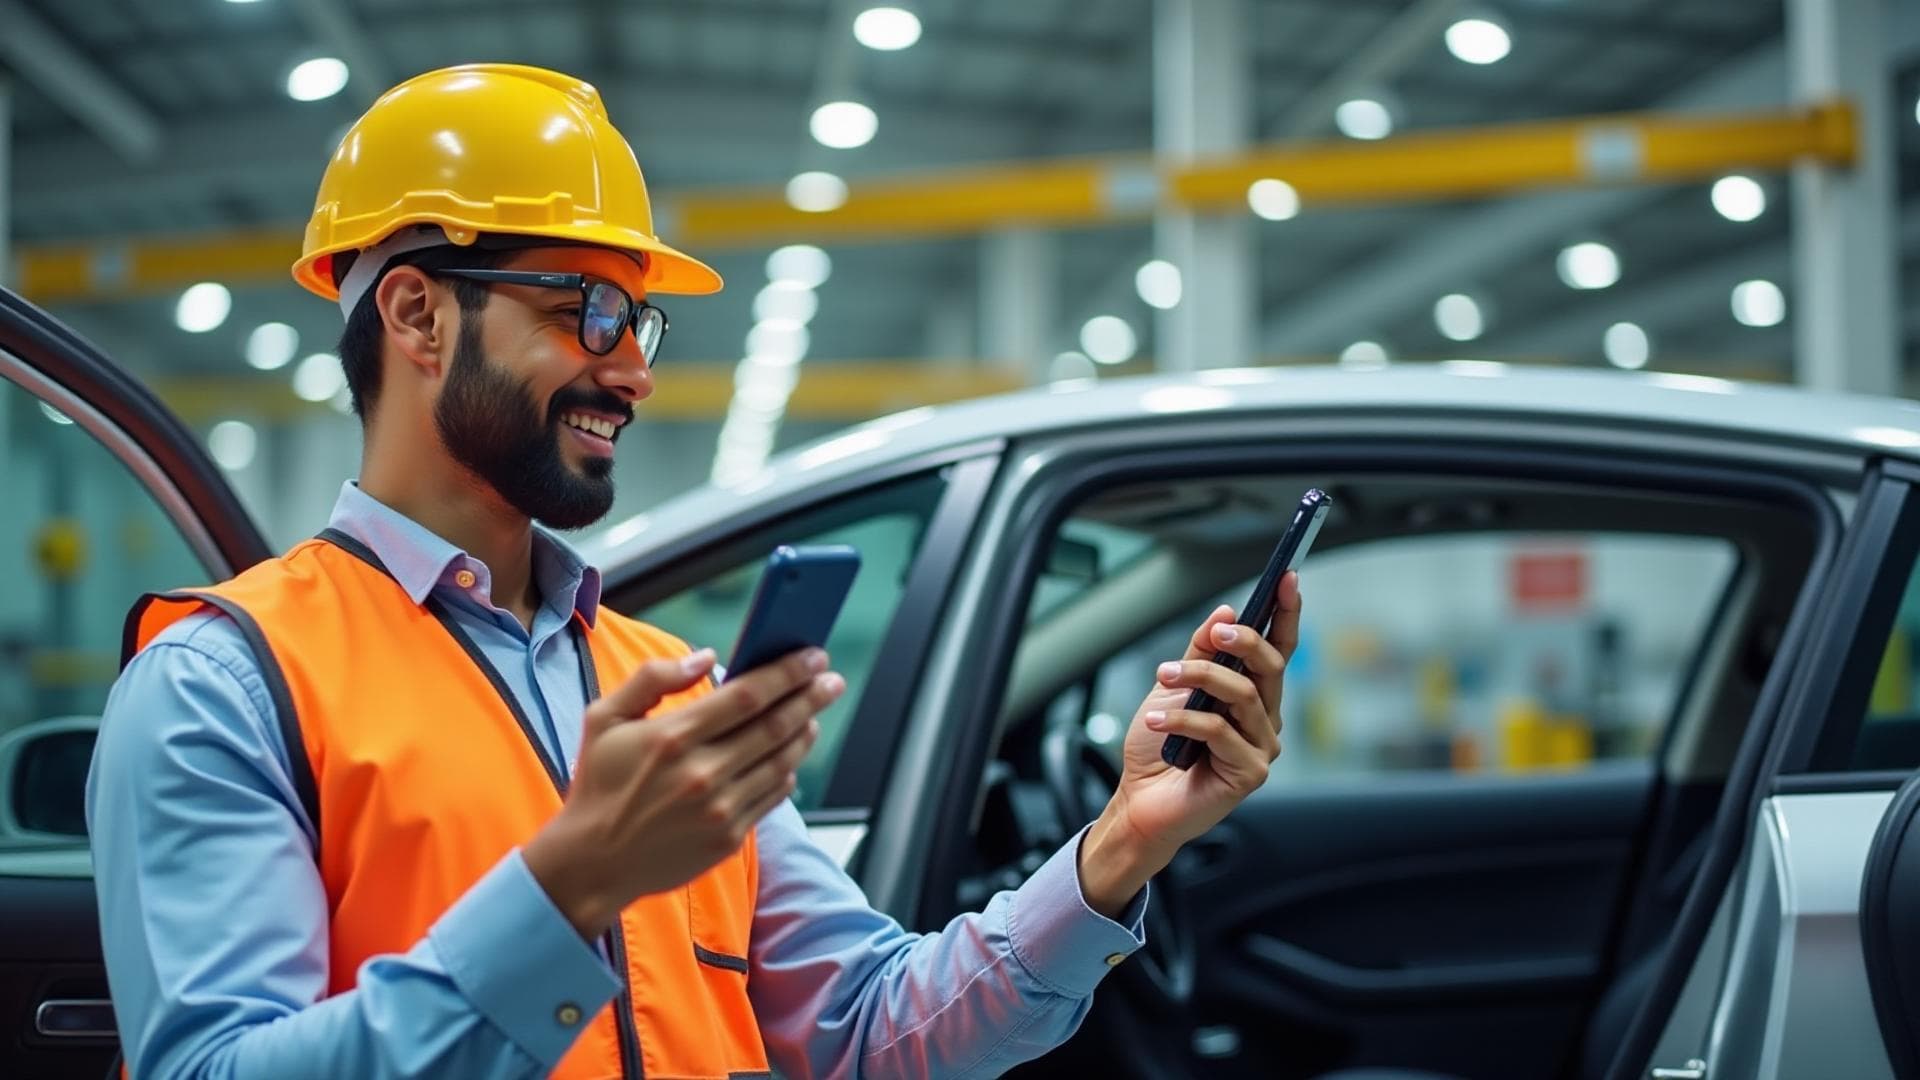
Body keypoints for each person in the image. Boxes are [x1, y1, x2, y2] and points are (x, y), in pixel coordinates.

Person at [87, 63, 1302, 1080]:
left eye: (639, 324)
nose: (633, 373)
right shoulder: (226, 683)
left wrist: (1121, 845)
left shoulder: (654, 683)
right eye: (586, 312)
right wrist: (569, 890)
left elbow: (874, 1029)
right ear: (415, 314)